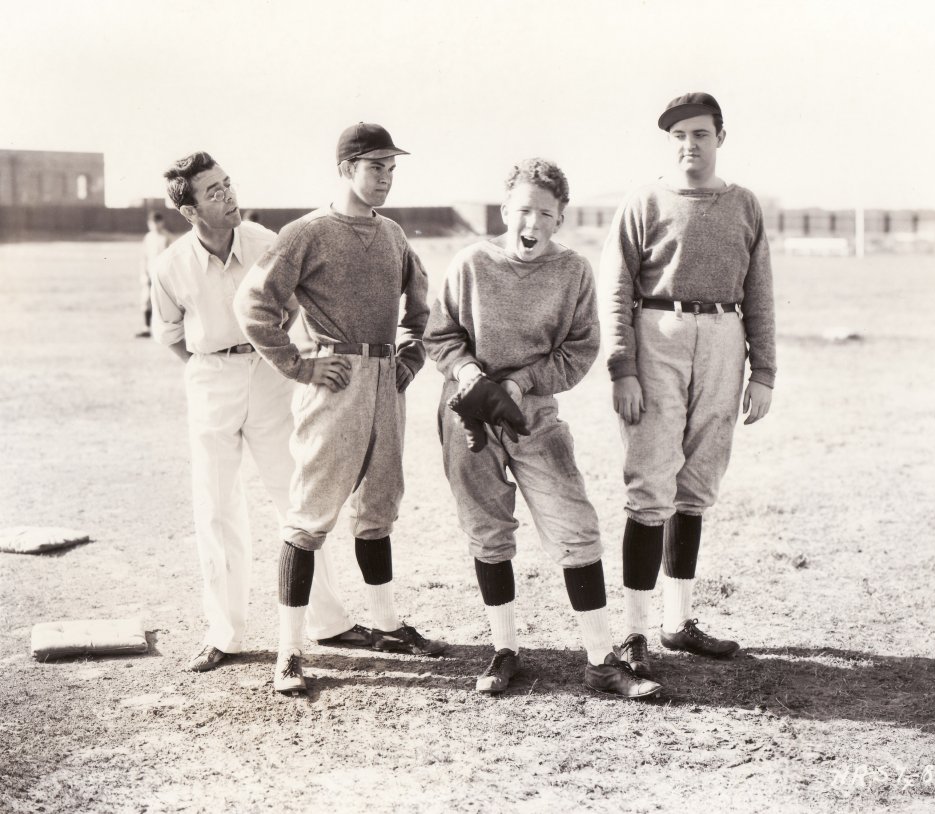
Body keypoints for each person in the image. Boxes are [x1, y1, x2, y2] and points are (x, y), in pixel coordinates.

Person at [424, 158, 663, 699]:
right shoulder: (469, 264)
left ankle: (602, 661)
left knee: (574, 526)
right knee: (488, 529)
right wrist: (469, 373)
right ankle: (504, 650)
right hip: (469, 413)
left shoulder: (573, 272)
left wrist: (522, 383)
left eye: (545, 214)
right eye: (523, 210)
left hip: (533, 413)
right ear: (506, 209)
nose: (531, 224)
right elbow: (439, 336)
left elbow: (579, 351)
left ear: (560, 219)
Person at [235, 122, 446, 695]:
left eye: (392, 169)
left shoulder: (394, 235)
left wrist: (409, 359)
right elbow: (254, 304)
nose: (386, 178)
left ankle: (385, 622)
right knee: (309, 517)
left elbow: (421, 307)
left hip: (385, 381)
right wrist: (301, 366)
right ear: (346, 168)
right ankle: (289, 652)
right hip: (334, 379)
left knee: (379, 506)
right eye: (375, 166)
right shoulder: (308, 232)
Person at [150, 152, 368, 675]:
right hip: (209, 381)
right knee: (216, 507)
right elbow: (173, 334)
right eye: (213, 192)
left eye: (227, 185)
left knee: (297, 496)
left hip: (270, 374)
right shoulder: (171, 265)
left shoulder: (266, 243)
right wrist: (216, 364)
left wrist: (266, 358)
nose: (228, 196)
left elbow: (291, 307)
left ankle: (328, 621)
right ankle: (225, 634)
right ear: (189, 210)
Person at [598, 93, 776, 674]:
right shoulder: (644, 200)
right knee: (651, 482)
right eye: (677, 135)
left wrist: (764, 371)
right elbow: (616, 289)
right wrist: (622, 367)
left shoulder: (744, 204)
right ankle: (633, 633)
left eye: (699, 133)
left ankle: (678, 623)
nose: (688, 144)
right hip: (660, 332)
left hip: (725, 335)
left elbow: (761, 293)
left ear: (720, 137)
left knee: (697, 482)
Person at [137, 212, 175, 338]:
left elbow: (171, 258)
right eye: (152, 223)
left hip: (162, 275)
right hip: (149, 274)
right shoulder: (148, 237)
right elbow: (144, 257)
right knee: (146, 299)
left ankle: (164, 329)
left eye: (157, 222)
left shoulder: (167, 237)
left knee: (163, 302)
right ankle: (146, 328)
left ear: (162, 222)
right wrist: (143, 273)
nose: (155, 225)